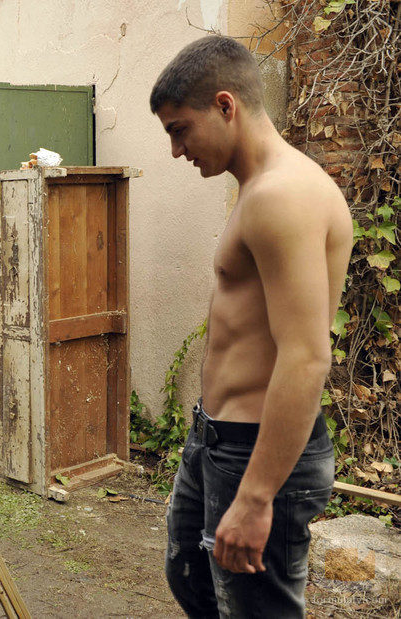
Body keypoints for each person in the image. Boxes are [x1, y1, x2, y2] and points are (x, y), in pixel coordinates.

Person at [150, 36, 352, 617]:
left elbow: (308, 356)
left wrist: (258, 495)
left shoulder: (282, 196)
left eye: (180, 129)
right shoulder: (258, 188)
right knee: (191, 578)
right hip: (217, 439)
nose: (175, 149)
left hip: (254, 453)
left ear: (225, 105)